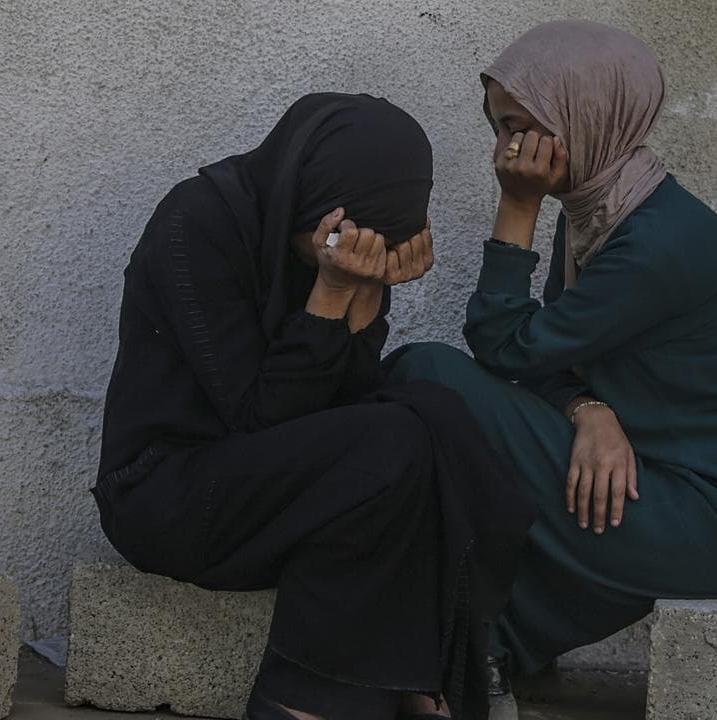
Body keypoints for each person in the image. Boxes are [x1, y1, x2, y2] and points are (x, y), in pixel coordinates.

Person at [386, 21, 717, 692]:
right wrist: (590, 409)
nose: (505, 151)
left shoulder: (654, 244)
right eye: (497, 129)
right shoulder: (601, 214)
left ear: (586, 115)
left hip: (707, 523)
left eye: (519, 128)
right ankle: (488, 646)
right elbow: (550, 363)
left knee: (425, 373)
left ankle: (480, 640)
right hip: (662, 488)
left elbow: (504, 346)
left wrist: (515, 207)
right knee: (444, 402)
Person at [93, 93, 534, 720]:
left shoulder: (336, 254)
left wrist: (365, 292)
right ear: (306, 196)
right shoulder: (194, 224)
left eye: (371, 247)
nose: (349, 254)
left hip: (267, 490)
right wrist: (331, 290)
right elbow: (257, 416)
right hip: (165, 492)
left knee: (439, 415)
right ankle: (302, 702)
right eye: (340, 242)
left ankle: (434, 669)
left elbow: (340, 403)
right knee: (389, 440)